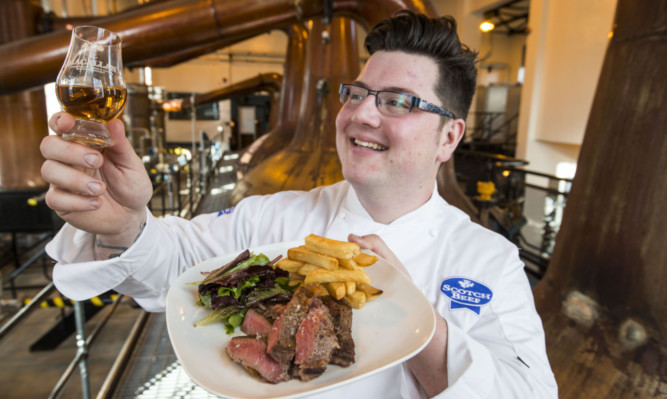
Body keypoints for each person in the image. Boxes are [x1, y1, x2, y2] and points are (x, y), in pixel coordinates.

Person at [41, 10, 557, 398]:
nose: (361, 115)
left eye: (398, 101)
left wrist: (416, 318)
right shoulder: (276, 215)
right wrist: (126, 224)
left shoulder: (489, 261)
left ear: (449, 137)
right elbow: (177, 265)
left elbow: (529, 390)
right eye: (356, 93)